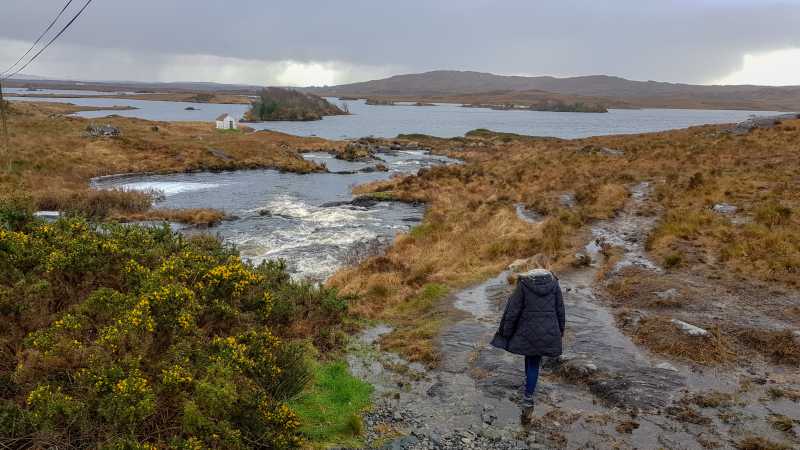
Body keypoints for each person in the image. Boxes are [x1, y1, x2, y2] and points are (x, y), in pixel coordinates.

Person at [490, 268, 565, 408]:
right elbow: (560, 308)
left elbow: (513, 310)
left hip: (527, 330)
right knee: (533, 359)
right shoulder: (554, 284)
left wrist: (506, 331)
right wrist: (560, 329)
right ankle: (528, 387)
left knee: (531, 360)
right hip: (549, 329)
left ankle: (528, 396)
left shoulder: (524, 285)